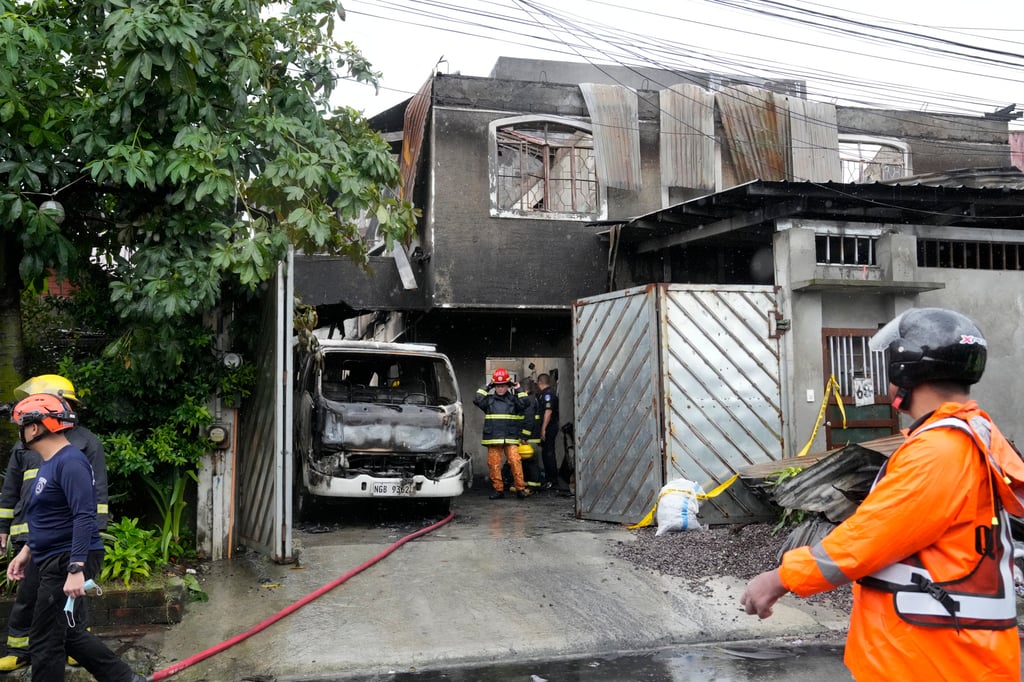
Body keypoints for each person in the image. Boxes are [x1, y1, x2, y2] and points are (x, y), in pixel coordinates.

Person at [740, 308, 1024, 681]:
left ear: (904, 371)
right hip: (949, 651)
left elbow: (868, 539)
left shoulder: (939, 452)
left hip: (931, 659)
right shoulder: (975, 435)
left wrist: (779, 578)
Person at [6, 393, 145, 682]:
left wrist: (75, 568)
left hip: (67, 558)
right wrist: (26, 552)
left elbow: (84, 516)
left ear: (34, 427)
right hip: (54, 556)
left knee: (44, 640)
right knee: (65, 633)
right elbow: (52, 519)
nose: (19, 432)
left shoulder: (70, 462)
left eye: (21, 424)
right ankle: (123, 678)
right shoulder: (51, 462)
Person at [0, 375, 109, 673]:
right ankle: (19, 648)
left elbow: (94, 497)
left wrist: (86, 541)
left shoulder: (82, 445)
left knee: (68, 598)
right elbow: (11, 487)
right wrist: (4, 526)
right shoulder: (27, 444)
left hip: (68, 541)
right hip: (32, 537)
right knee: (28, 595)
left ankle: (73, 644)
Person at [474, 368, 531, 500]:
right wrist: (487, 386)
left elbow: (525, 403)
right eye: (497, 386)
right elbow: (477, 398)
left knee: (515, 461)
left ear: (508, 386)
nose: (500, 388)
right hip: (494, 437)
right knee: (494, 464)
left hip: (510, 437)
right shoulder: (488, 401)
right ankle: (498, 490)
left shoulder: (513, 399)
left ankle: (520, 489)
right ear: (494, 386)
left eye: (503, 385)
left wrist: (518, 389)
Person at [535, 373, 560, 490]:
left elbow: (548, 412)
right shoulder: (546, 393)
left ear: (540, 383)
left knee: (548, 454)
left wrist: (543, 429)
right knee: (546, 453)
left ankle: (552, 480)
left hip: (549, 428)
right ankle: (550, 479)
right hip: (549, 427)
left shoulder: (547, 394)